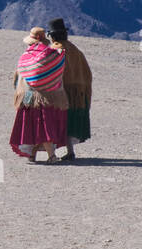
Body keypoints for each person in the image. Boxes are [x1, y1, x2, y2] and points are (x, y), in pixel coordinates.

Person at [9, 26, 70, 162]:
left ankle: (42, 155)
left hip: (29, 98)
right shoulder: (54, 55)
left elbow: (19, 75)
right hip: (49, 97)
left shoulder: (26, 56)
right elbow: (57, 71)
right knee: (44, 126)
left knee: (32, 126)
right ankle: (41, 155)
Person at [46, 18, 92, 160]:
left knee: (55, 121)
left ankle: (51, 152)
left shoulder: (55, 50)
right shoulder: (75, 50)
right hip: (79, 93)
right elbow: (87, 73)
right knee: (70, 122)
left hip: (62, 92)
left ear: (52, 36)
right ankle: (70, 151)